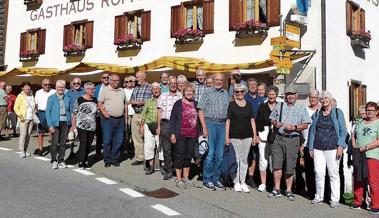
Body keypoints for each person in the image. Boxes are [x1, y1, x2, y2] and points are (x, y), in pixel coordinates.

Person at [268, 86, 310, 201]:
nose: (290, 96)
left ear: (296, 95)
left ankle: (288, 190)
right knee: (276, 164)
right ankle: (276, 189)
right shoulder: (279, 105)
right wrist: (275, 123)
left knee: (290, 166)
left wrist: (294, 127)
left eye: (292, 94)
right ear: (285, 95)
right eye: (288, 94)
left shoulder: (301, 108)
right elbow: (271, 118)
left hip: (293, 139)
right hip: (279, 138)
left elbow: (306, 124)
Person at [307, 91, 347, 208]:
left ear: (330, 99)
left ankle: (335, 199)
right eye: (322, 98)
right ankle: (319, 196)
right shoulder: (318, 113)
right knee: (319, 172)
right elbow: (312, 131)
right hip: (318, 147)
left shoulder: (337, 112)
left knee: (333, 173)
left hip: (333, 147)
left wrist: (340, 146)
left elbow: (342, 130)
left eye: (326, 98)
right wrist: (310, 147)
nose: (324, 100)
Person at [198, 73, 229, 191]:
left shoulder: (226, 94)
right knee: (210, 154)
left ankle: (216, 179)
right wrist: (204, 127)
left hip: (222, 124)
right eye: (216, 79)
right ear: (213, 80)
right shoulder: (207, 92)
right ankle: (207, 180)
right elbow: (200, 110)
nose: (219, 82)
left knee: (220, 155)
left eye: (221, 80)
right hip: (210, 123)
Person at [225, 84, 258, 193]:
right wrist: (227, 136)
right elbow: (228, 121)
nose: (239, 93)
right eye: (237, 92)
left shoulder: (249, 105)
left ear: (244, 92)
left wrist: (254, 135)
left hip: (247, 135)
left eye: (241, 91)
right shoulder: (231, 105)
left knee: (244, 160)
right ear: (235, 93)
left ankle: (243, 181)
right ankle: (236, 182)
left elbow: (252, 121)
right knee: (236, 159)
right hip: (234, 135)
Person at [351, 102, 379, 215]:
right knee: (358, 179)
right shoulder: (360, 121)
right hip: (359, 154)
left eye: (372, 110)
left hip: (372, 155)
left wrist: (366, 147)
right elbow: (354, 134)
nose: (369, 112)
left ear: (377, 112)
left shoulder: (378, 123)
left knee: (373, 181)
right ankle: (357, 202)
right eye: (368, 110)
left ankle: (375, 205)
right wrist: (354, 145)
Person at [170, 83, 199, 189]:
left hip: (193, 134)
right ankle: (178, 178)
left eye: (191, 91)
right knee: (179, 155)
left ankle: (186, 177)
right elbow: (172, 119)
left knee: (188, 156)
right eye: (187, 91)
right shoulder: (178, 104)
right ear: (183, 92)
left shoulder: (196, 104)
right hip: (180, 134)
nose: (189, 93)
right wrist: (172, 133)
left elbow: (200, 119)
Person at [98, 74, 128, 168]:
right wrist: (104, 112)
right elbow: (99, 102)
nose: (117, 82)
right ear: (110, 81)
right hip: (108, 119)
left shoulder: (122, 90)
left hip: (120, 119)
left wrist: (126, 118)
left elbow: (125, 105)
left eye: (118, 80)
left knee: (118, 140)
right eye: (114, 80)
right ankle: (107, 159)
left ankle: (115, 159)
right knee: (107, 140)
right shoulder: (104, 90)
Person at [157, 76, 182, 180]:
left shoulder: (180, 96)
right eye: (171, 83)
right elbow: (159, 111)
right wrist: (158, 126)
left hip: (177, 125)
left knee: (177, 149)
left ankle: (177, 170)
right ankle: (168, 170)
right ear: (168, 84)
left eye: (175, 83)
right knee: (167, 150)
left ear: (177, 84)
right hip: (165, 124)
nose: (173, 85)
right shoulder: (163, 96)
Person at [255, 85, 279, 192]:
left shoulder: (280, 106)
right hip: (263, 136)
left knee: (275, 161)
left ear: (276, 95)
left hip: (277, 137)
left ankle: (275, 185)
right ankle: (263, 183)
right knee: (263, 160)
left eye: (273, 94)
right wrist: (257, 134)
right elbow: (258, 121)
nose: (271, 96)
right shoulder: (262, 106)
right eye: (269, 94)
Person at [71, 82, 98, 169]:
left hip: (92, 125)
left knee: (89, 143)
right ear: (86, 90)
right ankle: (81, 162)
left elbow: (97, 113)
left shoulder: (95, 100)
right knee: (84, 142)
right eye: (91, 89)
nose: (93, 90)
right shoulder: (79, 99)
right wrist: (73, 126)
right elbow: (74, 113)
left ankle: (85, 160)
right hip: (81, 125)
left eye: (93, 89)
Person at [46, 80, 71, 169]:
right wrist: (50, 125)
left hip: (65, 123)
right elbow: (47, 112)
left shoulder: (67, 98)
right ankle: (53, 160)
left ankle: (61, 160)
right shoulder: (51, 98)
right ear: (56, 88)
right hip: (55, 123)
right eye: (59, 87)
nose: (61, 89)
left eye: (63, 87)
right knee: (54, 143)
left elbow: (69, 112)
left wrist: (70, 124)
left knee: (63, 143)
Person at [244, 77, 265, 188]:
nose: (252, 86)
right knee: (246, 155)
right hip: (246, 130)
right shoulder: (244, 97)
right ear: (248, 86)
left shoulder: (261, 99)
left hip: (259, 131)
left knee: (255, 155)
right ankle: (243, 177)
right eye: (250, 84)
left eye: (254, 84)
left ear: (257, 86)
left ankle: (251, 177)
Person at [301, 89, 321, 199]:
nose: (312, 99)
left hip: (319, 144)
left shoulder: (321, 110)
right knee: (309, 169)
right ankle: (311, 192)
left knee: (319, 170)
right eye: (310, 97)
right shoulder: (305, 110)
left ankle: (320, 192)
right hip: (307, 143)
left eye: (314, 97)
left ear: (318, 98)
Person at [139, 82, 163, 175]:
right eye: (154, 89)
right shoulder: (148, 101)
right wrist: (141, 126)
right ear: (151, 91)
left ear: (160, 90)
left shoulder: (163, 99)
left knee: (161, 145)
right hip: (149, 125)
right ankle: (150, 166)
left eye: (157, 89)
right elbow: (144, 114)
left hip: (160, 125)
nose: (156, 90)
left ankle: (163, 166)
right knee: (149, 146)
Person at [130, 71, 152, 166]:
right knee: (136, 137)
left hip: (146, 115)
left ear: (144, 77)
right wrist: (133, 102)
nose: (136, 79)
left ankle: (149, 158)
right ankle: (140, 157)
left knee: (147, 137)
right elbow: (131, 99)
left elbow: (153, 100)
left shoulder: (150, 87)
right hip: (136, 114)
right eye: (136, 77)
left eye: (138, 77)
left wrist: (142, 103)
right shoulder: (135, 88)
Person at [14, 81, 36, 158]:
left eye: (29, 87)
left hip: (31, 118)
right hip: (23, 118)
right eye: (26, 87)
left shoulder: (31, 96)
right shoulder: (20, 96)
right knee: (23, 135)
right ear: (22, 88)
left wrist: (35, 110)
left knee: (28, 135)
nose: (28, 88)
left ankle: (25, 150)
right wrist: (20, 116)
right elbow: (16, 107)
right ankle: (21, 151)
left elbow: (33, 106)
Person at [35, 78, 55, 156]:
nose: (47, 86)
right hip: (41, 113)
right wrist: (37, 114)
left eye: (49, 84)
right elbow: (36, 104)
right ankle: (40, 149)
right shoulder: (38, 92)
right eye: (46, 84)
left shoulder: (53, 92)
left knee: (52, 131)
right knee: (41, 132)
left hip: (51, 113)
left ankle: (53, 148)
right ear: (42, 85)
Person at [66, 77, 85, 154]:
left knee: (81, 135)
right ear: (72, 84)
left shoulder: (84, 91)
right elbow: (66, 106)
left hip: (82, 116)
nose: (76, 85)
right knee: (71, 135)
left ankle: (81, 151)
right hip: (71, 116)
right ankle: (72, 151)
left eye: (78, 83)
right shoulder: (68, 93)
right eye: (74, 83)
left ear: (80, 84)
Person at [94, 72, 110, 156]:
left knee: (108, 133)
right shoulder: (96, 88)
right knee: (99, 133)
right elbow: (93, 99)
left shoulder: (112, 87)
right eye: (104, 78)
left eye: (107, 77)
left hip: (109, 113)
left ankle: (108, 152)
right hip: (98, 113)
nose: (106, 79)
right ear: (101, 79)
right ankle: (98, 152)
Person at [123, 75, 136, 158]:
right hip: (126, 114)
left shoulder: (135, 90)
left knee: (134, 134)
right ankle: (127, 149)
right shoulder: (122, 90)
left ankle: (134, 149)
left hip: (134, 113)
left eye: (130, 81)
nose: (128, 83)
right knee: (127, 133)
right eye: (126, 81)